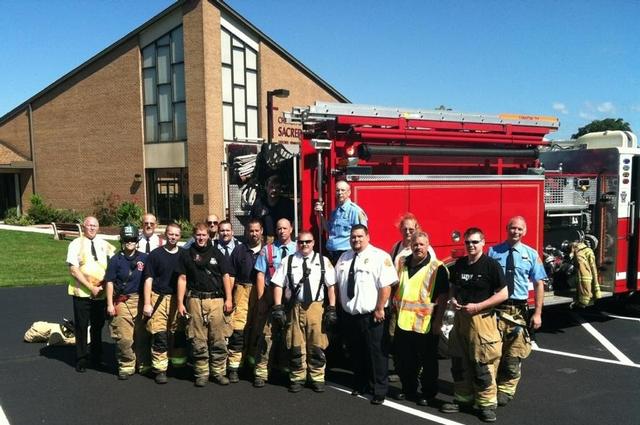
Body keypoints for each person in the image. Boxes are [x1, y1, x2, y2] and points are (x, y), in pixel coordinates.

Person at [441, 227, 508, 423]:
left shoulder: (490, 265)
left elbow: (504, 293)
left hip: (482, 320)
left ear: (483, 243)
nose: (471, 245)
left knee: (482, 364)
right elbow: (454, 286)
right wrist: (453, 299)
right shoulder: (461, 264)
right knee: (459, 362)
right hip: (461, 319)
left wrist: (478, 306)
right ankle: (463, 400)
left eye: (475, 242)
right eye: (468, 242)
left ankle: (486, 405)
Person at [335, 224, 398, 405]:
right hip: (350, 315)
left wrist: (380, 308)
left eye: (360, 236)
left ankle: (379, 389)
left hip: (372, 314)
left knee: (377, 353)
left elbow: (386, 285)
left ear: (368, 237)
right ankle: (360, 383)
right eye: (353, 237)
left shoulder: (380, 256)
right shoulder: (344, 257)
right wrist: (341, 306)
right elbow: (338, 284)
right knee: (357, 352)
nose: (356, 240)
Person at [488, 216, 546, 406]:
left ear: (525, 231)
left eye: (520, 229)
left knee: (514, 355)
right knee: (492, 352)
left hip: (518, 311)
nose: (516, 232)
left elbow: (539, 284)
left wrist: (537, 313)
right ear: (507, 229)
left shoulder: (531, 254)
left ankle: (506, 389)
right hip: (496, 309)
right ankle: (492, 387)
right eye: (513, 228)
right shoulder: (493, 252)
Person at [271, 230, 337, 393]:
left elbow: (331, 287)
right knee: (295, 343)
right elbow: (278, 284)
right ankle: (297, 377)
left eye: (308, 241)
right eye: (301, 242)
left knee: (317, 343)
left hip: (316, 307)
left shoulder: (323, 261)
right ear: (297, 243)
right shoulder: (288, 261)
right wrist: (278, 307)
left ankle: (316, 377)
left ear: (313, 243)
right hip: (295, 307)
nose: (304, 245)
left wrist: (332, 308)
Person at [393, 231, 449, 406]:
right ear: (411, 245)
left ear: (428, 245)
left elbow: (443, 297)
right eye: (415, 244)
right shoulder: (402, 263)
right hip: (403, 320)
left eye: (422, 244)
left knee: (428, 361)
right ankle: (408, 389)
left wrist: (439, 321)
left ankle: (428, 392)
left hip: (425, 322)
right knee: (405, 359)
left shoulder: (437, 268)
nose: (418, 247)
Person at [176, 222, 233, 387]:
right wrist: (180, 302)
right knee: (198, 340)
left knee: (219, 339)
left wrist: (229, 299)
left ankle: (219, 372)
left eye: (204, 235)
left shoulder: (217, 253)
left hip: (216, 300)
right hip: (195, 300)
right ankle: (201, 373)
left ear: (209, 235)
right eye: (198, 235)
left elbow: (226, 276)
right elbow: (182, 279)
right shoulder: (186, 254)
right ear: (194, 235)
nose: (201, 238)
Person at [251, 218, 297, 387]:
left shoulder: (298, 249)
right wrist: (262, 299)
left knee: (290, 337)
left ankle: (287, 371)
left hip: (291, 299)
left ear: (291, 229)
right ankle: (261, 373)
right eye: (279, 229)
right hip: (271, 297)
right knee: (266, 336)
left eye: (285, 228)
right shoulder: (267, 250)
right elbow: (261, 275)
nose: (282, 231)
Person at [66, 216, 116, 372]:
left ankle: (96, 357)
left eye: (95, 225)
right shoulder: (75, 244)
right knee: (81, 326)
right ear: (84, 227)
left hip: (100, 294)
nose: (92, 228)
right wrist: (90, 287)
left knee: (97, 326)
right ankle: (81, 358)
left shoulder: (104, 244)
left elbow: (115, 261)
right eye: (89, 225)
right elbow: (73, 269)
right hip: (82, 293)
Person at [142, 223, 185, 384]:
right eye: (170, 234)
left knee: (177, 333)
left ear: (180, 236)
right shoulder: (155, 255)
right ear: (165, 234)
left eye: (176, 235)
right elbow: (148, 279)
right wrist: (147, 303)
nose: (173, 237)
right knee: (159, 334)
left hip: (177, 299)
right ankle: (160, 369)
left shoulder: (184, 254)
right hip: (158, 297)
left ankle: (178, 364)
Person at [105, 224, 149, 379]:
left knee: (142, 335)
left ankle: (143, 362)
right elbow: (109, 282)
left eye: (132, 239)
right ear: (122, 241)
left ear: (137, 240)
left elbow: (149, 280)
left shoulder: (145, 258)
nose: (130, 242)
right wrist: (110, 304)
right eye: (127, 239)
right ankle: (126, 364)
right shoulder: (115, 260)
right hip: (122, 301)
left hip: (140, 300)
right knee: (124, 337)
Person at [226, 218, 263, 383]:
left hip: (261, 292)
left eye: (256, 230)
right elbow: (231, 276)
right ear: (246, 232)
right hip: (241, 290)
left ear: (261, 231)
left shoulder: (268, 251)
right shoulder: (239, 250)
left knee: (257, 329)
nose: (254, 234)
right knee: (238, 329)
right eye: (251, 231)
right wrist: (229, 297)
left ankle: (254, 366)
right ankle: (235, 367)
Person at [325, 180, 368, 264]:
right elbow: (328, 229)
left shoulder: (355, 211)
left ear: (349, 192)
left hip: (346, 253)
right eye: (337, 190)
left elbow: (362, 234)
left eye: (342, 190)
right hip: (332, 252)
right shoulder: (335, 212)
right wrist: (319, 215)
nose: (340, 193)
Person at [250, 175, 295, 243]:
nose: (274, 190)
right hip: (263, 241)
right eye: (271, 187)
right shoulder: (259, 204)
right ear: (266, 187)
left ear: (280, 189)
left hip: (284, 239)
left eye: (277, 187)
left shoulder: (287, 204)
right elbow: (252, 223)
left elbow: (294, 222)